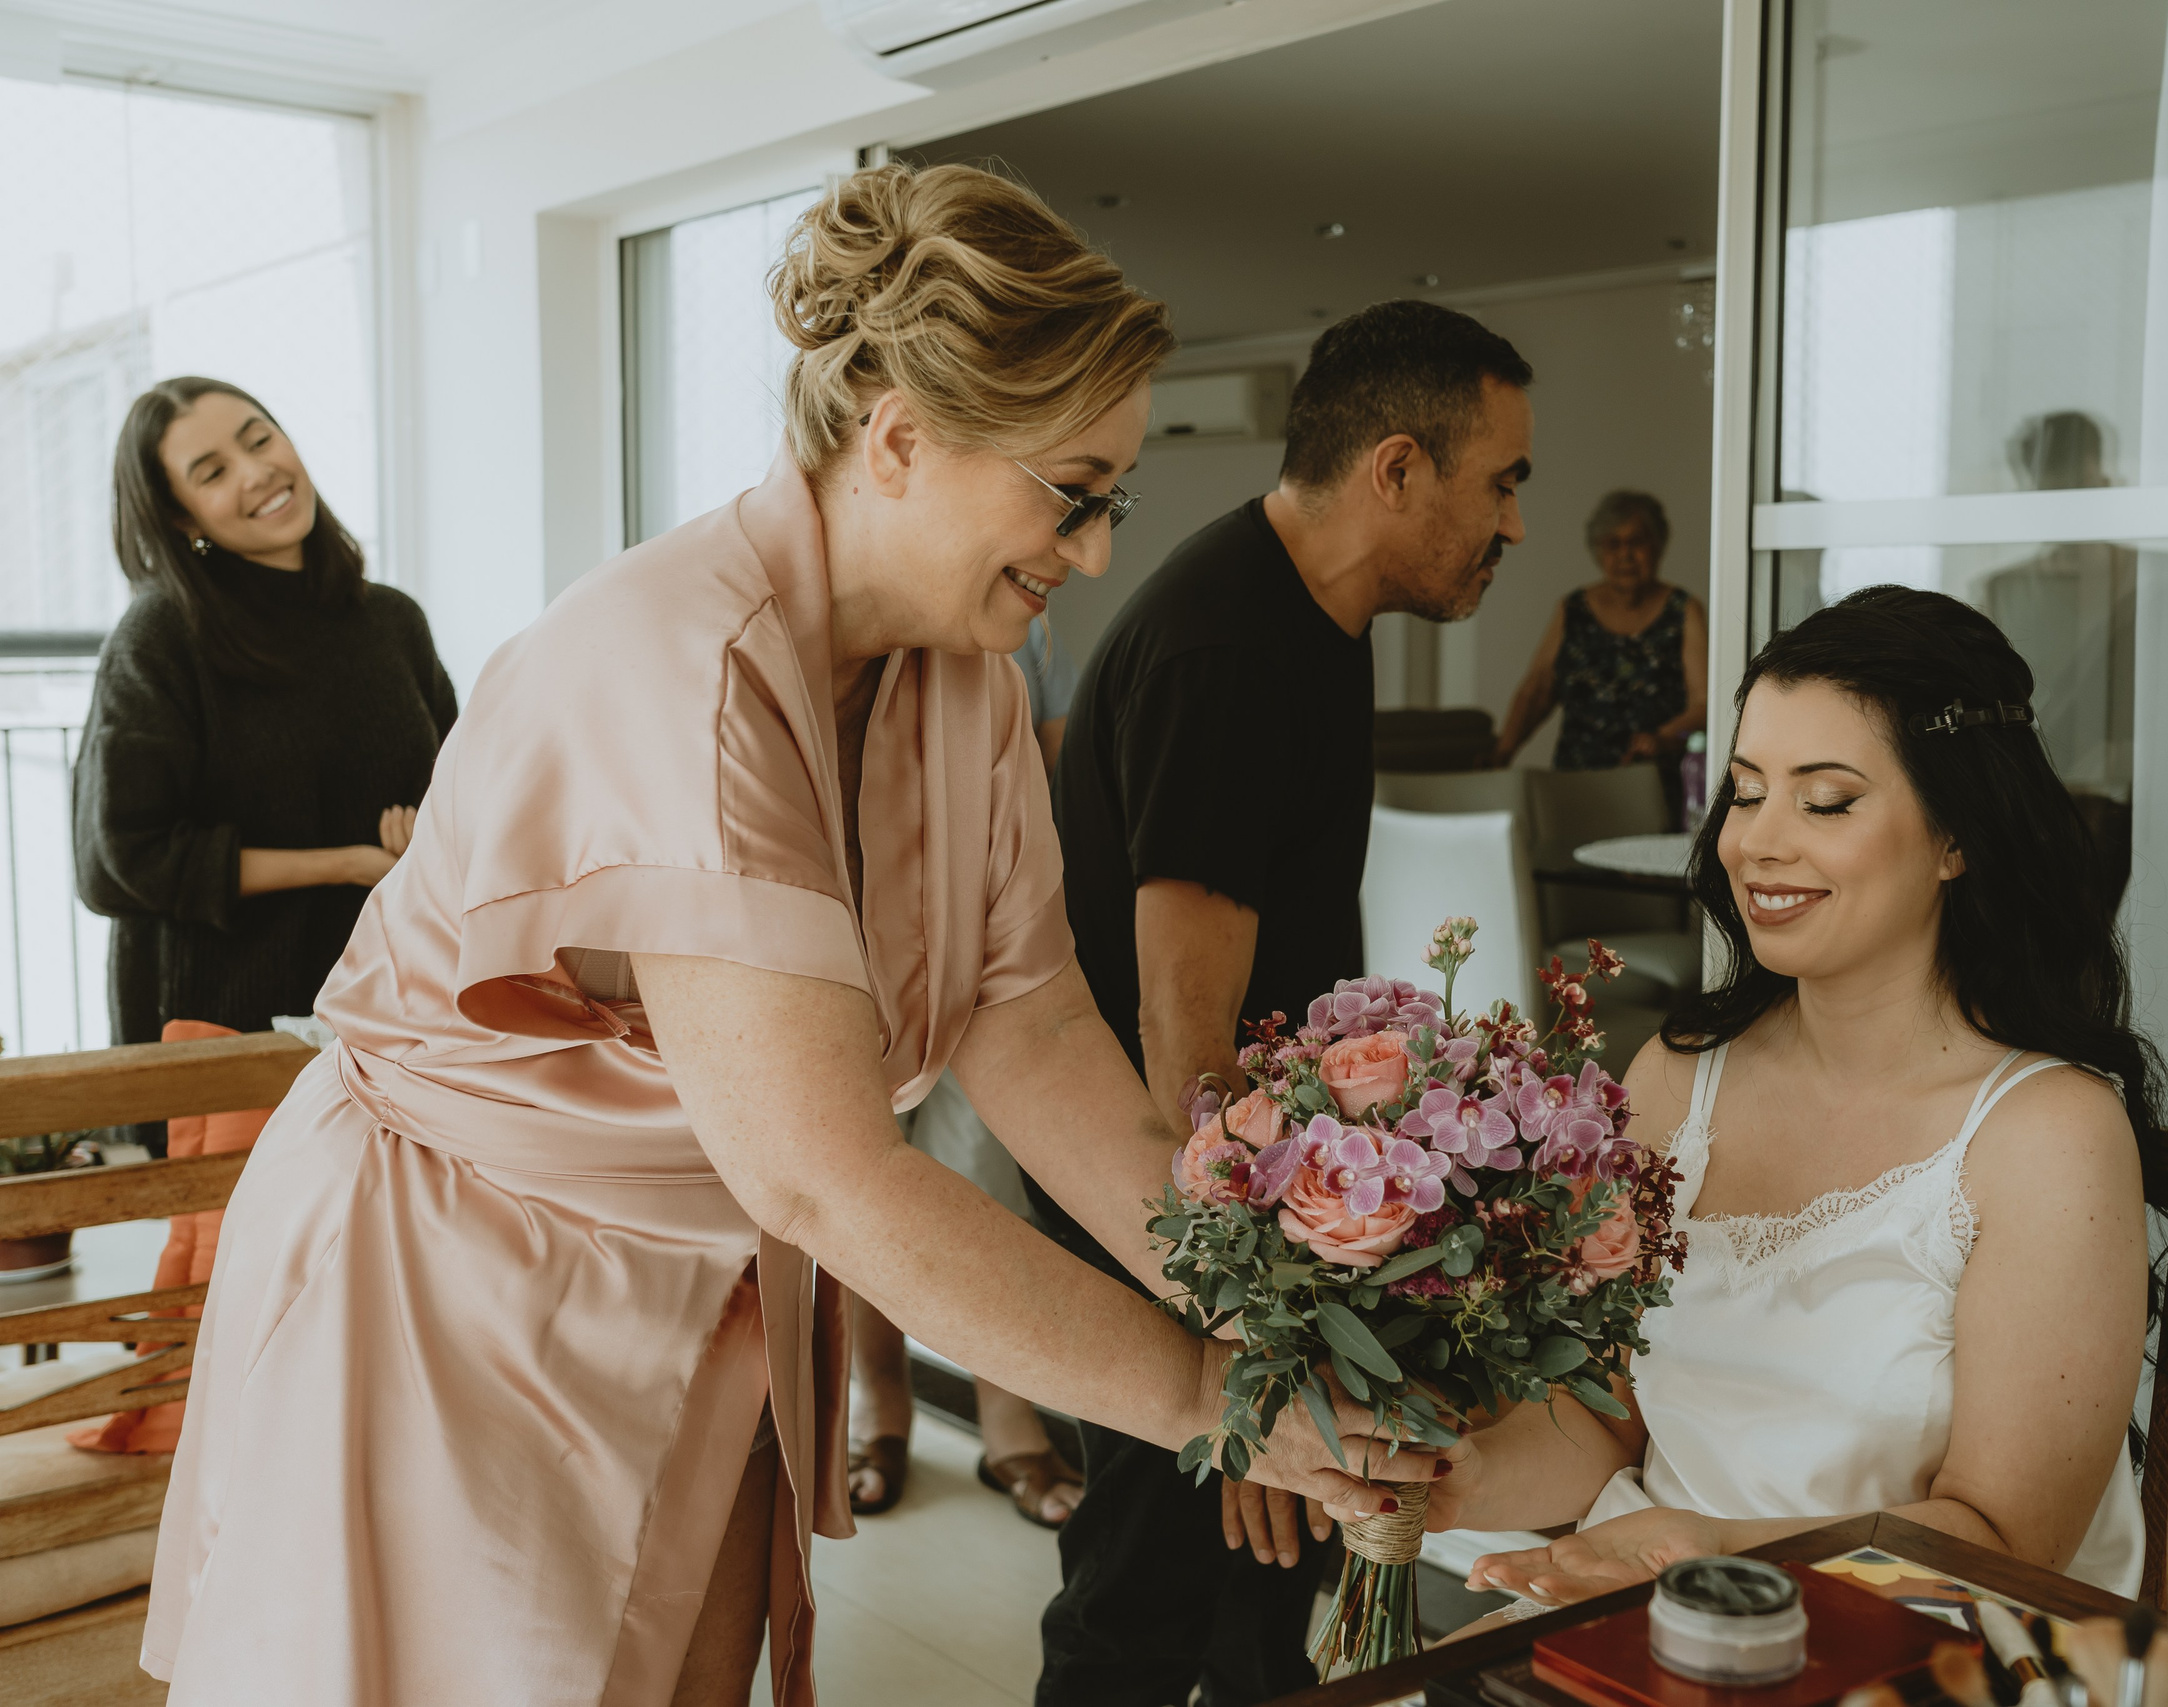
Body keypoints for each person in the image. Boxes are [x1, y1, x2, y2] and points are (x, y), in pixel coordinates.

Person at [139, 164, 1437, 1707]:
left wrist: (1257, 1305)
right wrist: (1213, 1397)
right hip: (454, 1278)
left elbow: (1031, 1021)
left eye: (1115, 500)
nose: (1093, 551)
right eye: (1070, 491)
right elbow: (823, 1168)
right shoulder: (678, 661)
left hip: (694, 1276)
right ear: (899, 439)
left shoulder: (966, 677)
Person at [1438, 586, 2155, 1603]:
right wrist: (1456, 1478)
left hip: (1912, 1639)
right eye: (1744, 792)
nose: (1756, 843)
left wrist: (1715, 1549)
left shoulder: (2049, 1137)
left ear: (1956, 836)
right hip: (1652, 1606)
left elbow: (2005, 1545)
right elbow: (1603, 1420)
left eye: (1824, 801)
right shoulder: (1677, 1077)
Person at [1036, 298, 1534, 1707]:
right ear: (1397, 467)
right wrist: (1242, 1346)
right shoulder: (1231, 646)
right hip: (1161, 1211)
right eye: (1501, 481)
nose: (1513, 522)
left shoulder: (1308, 615)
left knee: (1260, 1602)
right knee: (1143, 1600)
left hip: (1244, 1216)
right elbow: (1183, 1033)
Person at [75, 379, 454, 1117]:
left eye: (259, 439)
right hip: (223, 1025)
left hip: (394, 1017)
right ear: (181, 517)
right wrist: (348, 864)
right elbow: (123, 862)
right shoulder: (160, 638)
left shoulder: (392, 622)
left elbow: (460, 793)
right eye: (213, 471)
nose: (257, 472)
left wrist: (431, 836)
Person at [843, 609, 1086, 1528]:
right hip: (847, 950)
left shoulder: (1028, 628)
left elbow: (1059, 784)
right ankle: (879, 1403)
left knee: (987, 1189)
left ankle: (1007, 1415)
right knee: (857, 1187)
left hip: (986, 953)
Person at [1491, 489, 1707, 809]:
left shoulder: (1683, 610)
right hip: (1577, 783)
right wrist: (1503, 752)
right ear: (1598, 551)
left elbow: (1705, 701)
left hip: (1653, 787)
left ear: (1658, 546)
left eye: (1637, 542)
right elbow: (1537, 690)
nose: (1625, 555)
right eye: (1612, 544)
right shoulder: (1573, 609)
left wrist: (1662, 737)